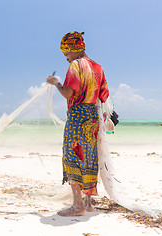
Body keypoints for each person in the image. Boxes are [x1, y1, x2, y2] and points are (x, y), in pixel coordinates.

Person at [46, 31, 109, 216]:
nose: (66, 58)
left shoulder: (76, 65)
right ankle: (89, 203)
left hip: (77, 117)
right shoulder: (98, 67)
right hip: (92, 117)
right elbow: (104, 95)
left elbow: (68, 93)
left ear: (73, 49)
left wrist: (56, 83)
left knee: (72, 156)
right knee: (89, 157)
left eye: (66, 54)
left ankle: (77, 206)